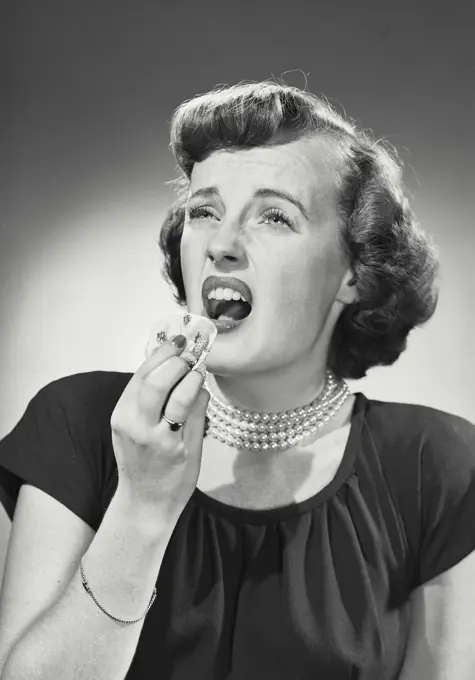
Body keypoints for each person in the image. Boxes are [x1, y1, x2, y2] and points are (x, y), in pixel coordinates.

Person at [0, 80, 474, 680]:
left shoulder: (440, 468)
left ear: (354, 272)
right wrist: (141, 507)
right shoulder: (78, 423)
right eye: (204, 211)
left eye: (275, 216)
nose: (222, 245)